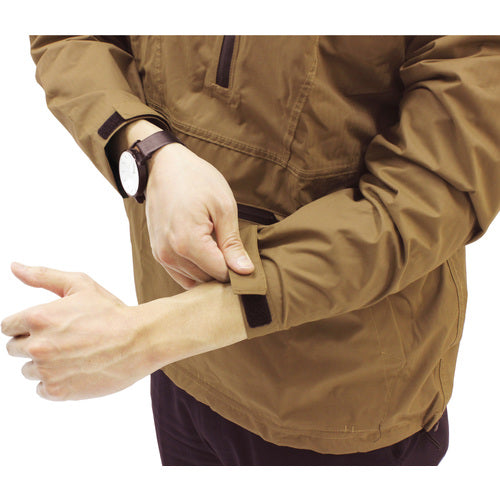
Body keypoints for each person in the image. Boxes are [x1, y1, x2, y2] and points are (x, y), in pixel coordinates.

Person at [2, 35, 499, 465]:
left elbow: (429, 192)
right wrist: (147, 148)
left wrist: (148, 335)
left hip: (337, 406)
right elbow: (70, 32)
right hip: (179, 362)